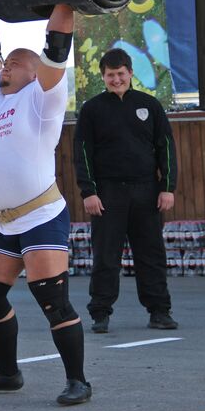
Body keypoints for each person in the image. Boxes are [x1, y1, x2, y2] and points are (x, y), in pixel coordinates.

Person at [0, 5, 91, 406]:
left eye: (15, 63)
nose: (6, 66)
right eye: (6, 62)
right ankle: (7, 372)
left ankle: (78, 382)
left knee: (52, 300)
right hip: (2, 223)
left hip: (40, 216)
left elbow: (57, 46)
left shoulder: (43, 98)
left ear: (35, 74)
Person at [73, 48, 179, 334]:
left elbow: (165, 148)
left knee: (151, 254)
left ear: (131, 73)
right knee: (106, 255)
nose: (116, 79)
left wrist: (167, 188)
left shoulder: (150, 105)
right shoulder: (92, 110)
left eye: (121, 74)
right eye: (110, 75)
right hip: (107, 193)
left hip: (147, 191)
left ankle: (159, 311)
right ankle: (101, 313)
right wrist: (88, 192)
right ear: (103, 76)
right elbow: (82, 153)